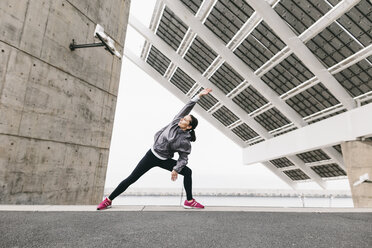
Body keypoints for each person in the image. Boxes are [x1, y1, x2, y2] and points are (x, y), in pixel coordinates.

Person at [97, 88, 213, 210]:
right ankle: (108, 200)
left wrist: (176, 169)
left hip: (164, 160)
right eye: (182, 117)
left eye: (184, 119)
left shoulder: (185, 141)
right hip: (151, 156)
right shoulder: (175, 122)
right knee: (132, 178)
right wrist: (199, 95)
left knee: (188, 172)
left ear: (189, 126)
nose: (181, 119)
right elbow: (187, 107)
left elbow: (183, 158)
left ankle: (189, 201)